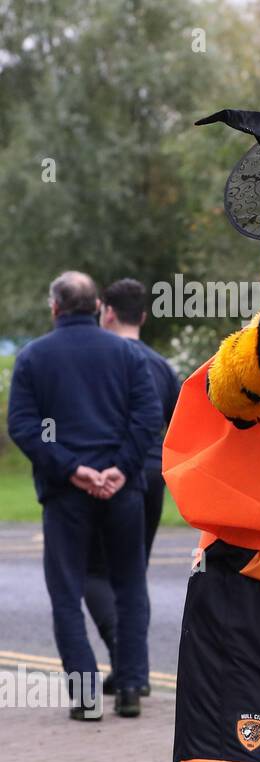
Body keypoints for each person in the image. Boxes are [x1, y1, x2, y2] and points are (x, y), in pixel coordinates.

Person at [6, 271, 161, 719]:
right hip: (122, 489)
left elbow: (25, 426)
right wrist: (120, 467)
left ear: (55, 308)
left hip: (65, 494)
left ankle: (86, 695)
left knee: (66, 591)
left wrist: (72, 468)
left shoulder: (34, 357)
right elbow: (147, 416)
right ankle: (131, 686)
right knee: (130, 585)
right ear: (98, 307)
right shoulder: (127, 355)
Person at [84, 278, 182, 697]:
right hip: (151, 477)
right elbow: (181, 425)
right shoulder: (162, 367)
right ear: (142, 316)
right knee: (132, 575)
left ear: (106, 310)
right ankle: (131, 669)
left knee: (90, 573)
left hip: (106, 477)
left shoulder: (100, 360)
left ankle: (126, 660)